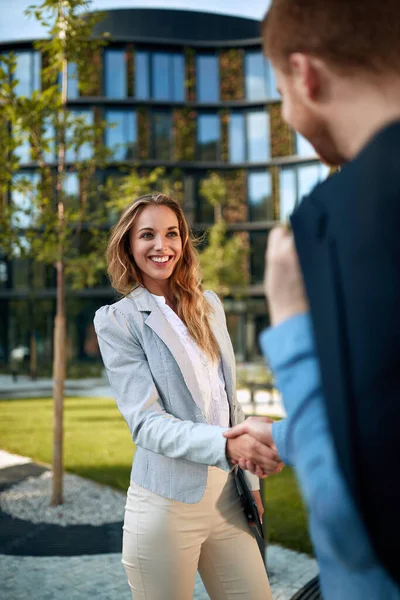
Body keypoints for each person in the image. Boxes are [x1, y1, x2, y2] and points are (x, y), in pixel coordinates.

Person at [225, 0, 400, 598]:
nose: (283, 110)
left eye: (278, 92)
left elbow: (354, 511)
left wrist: (293, 324)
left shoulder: (357, 214)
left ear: (305, 75)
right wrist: (290, 432)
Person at [94, 193, 280, 600]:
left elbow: (231, 403)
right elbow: (146, 424)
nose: (162, 246)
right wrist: (228, 447)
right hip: (164, 506)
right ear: (128, 245)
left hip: (228, 499)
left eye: (171, 234)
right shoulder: (119, 321)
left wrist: (249, 482)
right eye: (147, 235)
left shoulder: (209, 306)